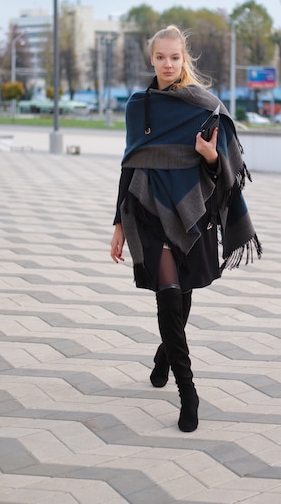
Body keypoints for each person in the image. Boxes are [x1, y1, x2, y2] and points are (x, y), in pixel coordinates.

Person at [110, 25, 261, 433]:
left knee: (182, 295)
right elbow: (130, 164)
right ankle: (188, 394)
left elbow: (224, 168)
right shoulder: (138, 106)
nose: (167, 64)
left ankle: (164, 356)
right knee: (169, 296)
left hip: (191, 215)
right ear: (151, 58)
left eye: (174, 57)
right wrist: (118, 224)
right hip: (148, 214)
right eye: (160, 57)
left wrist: (210, 157)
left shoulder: (204, 106)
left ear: (185, 59)